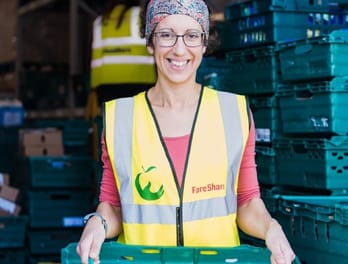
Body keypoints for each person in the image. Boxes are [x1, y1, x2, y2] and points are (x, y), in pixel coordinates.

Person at [76, 1, 296, 264]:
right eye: (166, 35)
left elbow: (247, 202)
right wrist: (97, 223)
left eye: (192, 36)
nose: (179, 49)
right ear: (150, 42)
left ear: (205, 44)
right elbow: (113, 205)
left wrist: (271, 228)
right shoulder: (120, 117)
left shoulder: (233, 112)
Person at [86, 0, 157, 119]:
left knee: (114, 128)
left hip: (107, 86)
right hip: (140, 82)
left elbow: (96, 60)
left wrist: (93, 89)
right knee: (140, 125)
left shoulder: (100, 21)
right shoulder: (141, 15)